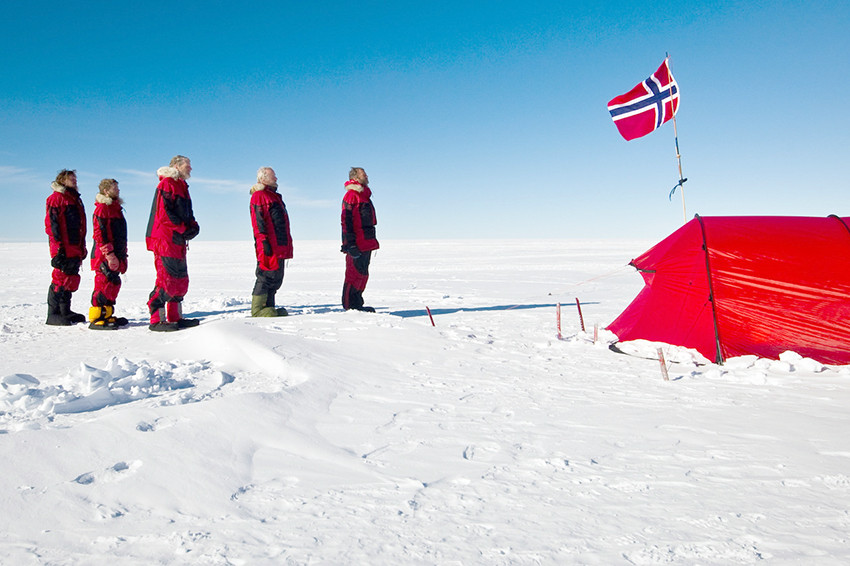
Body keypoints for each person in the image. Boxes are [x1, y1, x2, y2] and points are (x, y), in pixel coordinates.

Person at [145, 155, 200, 331]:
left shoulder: (182, 186)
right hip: (165, 240)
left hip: (177, 240)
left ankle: (175, 317)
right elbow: (164, 214)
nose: (190, 168)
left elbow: (186, 213)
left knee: (180, 279)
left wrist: (193, 226)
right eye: (187, 165)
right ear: (176, 166)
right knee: (167, 279)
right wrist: (183, 228)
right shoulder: (167, 184)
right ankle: (156, 319)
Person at [45, 169, 87, 325]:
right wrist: (58, 250)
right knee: (60, 278)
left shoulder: (75, 200)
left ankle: (65, 311)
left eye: (75, 178)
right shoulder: (56, 199)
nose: (75, 181)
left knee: (71, 278)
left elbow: (81, 226)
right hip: (63, 247)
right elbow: (52, 226)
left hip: (75, 245)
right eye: (71, 179)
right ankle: (53, 314)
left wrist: (82, 246)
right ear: (62, 181)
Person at [249, 166, 293, 317]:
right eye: (273, 176)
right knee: (265, 275)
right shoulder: (259, 196)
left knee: (276, 277)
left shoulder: (274, 197)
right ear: (263, 178)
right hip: (269, 245)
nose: (276, 178)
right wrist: (263, 241)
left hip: (279, 244)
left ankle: (269, 306)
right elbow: (258, 221)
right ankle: (257, 309)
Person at [89, 178, 129, 330]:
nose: (118, 190)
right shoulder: (102, 209)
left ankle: (107, 314)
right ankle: (96, 317)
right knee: (103, 283)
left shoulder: (115, 209)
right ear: (106, 191)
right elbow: (99, 233)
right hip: (104, 255)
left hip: (117, 253)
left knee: (113, 283)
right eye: (115, 188)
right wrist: (109, 253)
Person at [340, 167, 379, 311]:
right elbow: (346, 221)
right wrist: (350, 244)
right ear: (355, 178)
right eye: (364, 174)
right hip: (357, 243)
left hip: (366, 242)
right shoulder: (351, 195)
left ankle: (357, 304)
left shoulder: (364, 196)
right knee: (354, 274)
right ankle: (350, 306)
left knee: (362, 274)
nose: (367, 176)